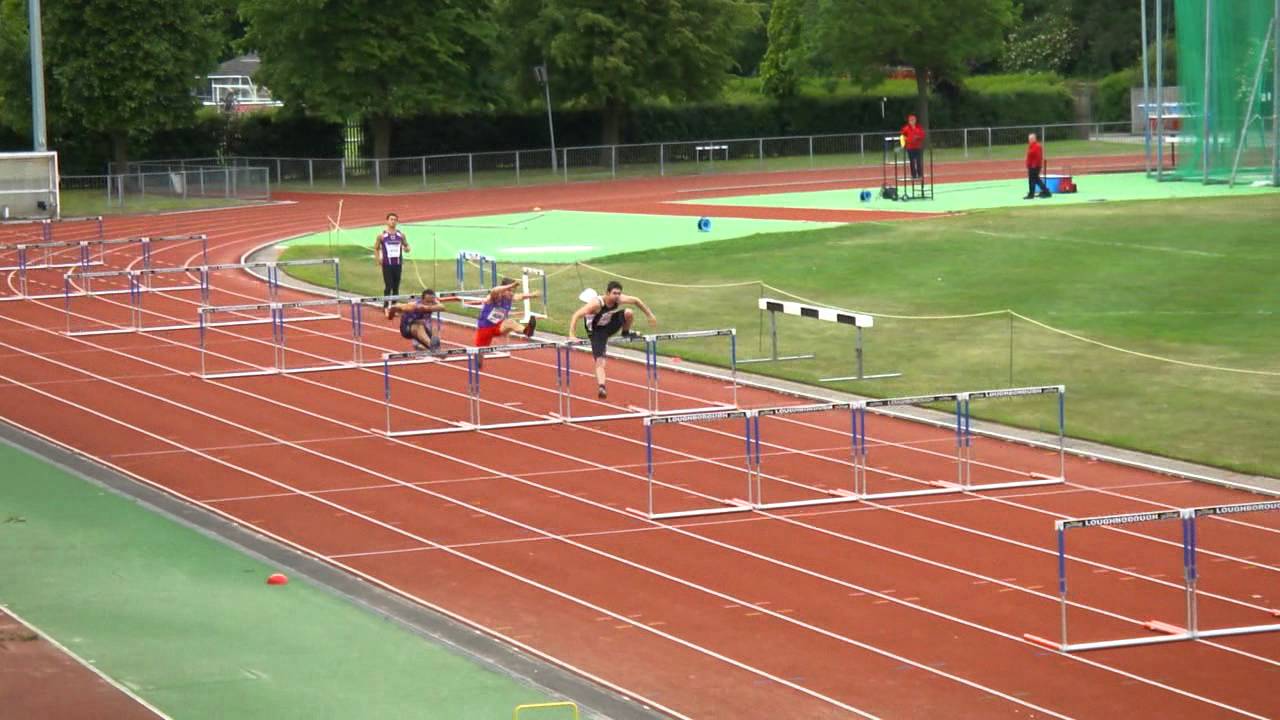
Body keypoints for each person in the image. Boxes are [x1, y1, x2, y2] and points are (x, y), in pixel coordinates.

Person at [568, 280, 657, 399]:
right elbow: (576, 315)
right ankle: (602, 386)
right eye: (614, 293)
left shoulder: (619, 299)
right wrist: (572, 335)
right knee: (600, 361)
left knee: (628, 313)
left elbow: (636, 300)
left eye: (619, 293)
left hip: (609, 324)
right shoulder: (596, 304)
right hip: (597, 331)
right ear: (607, 293)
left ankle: (626, 332)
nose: (617, 296)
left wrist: (650, 315)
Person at [474, 278, 539, 358]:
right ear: (504, 289)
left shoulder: (510, 297)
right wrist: (511, 285)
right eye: (509, 290)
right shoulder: (495, 297)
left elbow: (520, 296)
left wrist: (532, 295)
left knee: (510, 322)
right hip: (485, 328)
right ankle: (478, 359)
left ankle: (527, 331)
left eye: (513, 291)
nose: (511, 293)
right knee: (480, 354)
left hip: (498, 327)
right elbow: (494, 290)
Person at [374, 213, 410, 317]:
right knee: (388, 286)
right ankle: (386, 307)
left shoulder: (401, 235)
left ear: (397, 222)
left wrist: (407, 249)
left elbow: (406, 246)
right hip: (387, 265)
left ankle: (395, 306)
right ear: (387, 221)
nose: (393, 221)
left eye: (395, 220)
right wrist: (378, 258)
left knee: (396, 286)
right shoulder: (382, 236)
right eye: (391, 219)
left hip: (398, 264)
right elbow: (376, 248)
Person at [1025, 133, 1052, 199]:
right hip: (1031, 166)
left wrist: (1034, 165)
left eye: (1031, 139)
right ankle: (1046, 192)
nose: (1029, 140)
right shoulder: (1031, 146)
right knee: (1036, 180)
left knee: (1032, 180)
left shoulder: (1037, 146)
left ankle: (1031, 194)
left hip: (1034, 166)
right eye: (1029, 139)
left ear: (1034, 139)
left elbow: (1038, 157)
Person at [901, 114, 926, 179]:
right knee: (912, 161)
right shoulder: (906, 128)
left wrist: (918, 137)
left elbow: (923, 135)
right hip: (910, 148)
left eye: (913, 120)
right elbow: (902, 136)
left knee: (919, 161)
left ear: (915, 120)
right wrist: (904, 142)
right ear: (909, 121)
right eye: (910, 120)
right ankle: (913, 175)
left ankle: (920, 174)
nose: (912, 121)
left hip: (918, 147)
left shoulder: (919, 128)